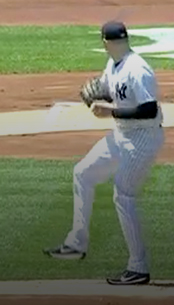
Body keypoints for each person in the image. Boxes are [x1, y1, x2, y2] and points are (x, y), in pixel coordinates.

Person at [45, 21, 165, 286]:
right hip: (122, 135)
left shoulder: (137, 68)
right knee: (83, 173)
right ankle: (77, 242)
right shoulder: (114, 65)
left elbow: (149, 110)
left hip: (142, 138)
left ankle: (138, 267)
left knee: (124, 195)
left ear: (105, 42)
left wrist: (110, 111)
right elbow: (110, 91)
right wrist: (94, 94)